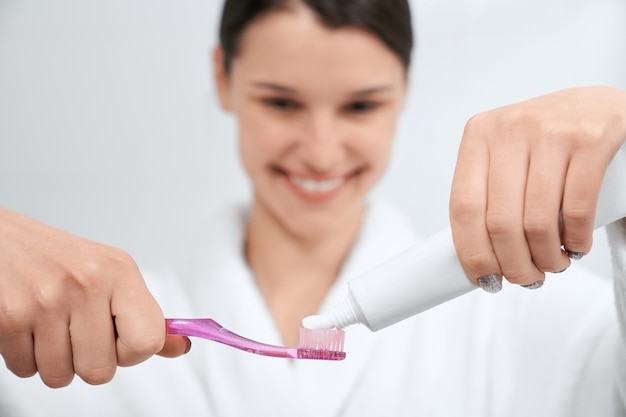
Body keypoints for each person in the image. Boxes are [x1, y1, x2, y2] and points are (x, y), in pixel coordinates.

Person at [0, 0, 625, 416]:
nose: (322, 153)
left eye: (360, 107)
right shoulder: (90, 339)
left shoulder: (539, 323)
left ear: (404, 89)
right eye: (281, 103)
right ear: (222, 78)